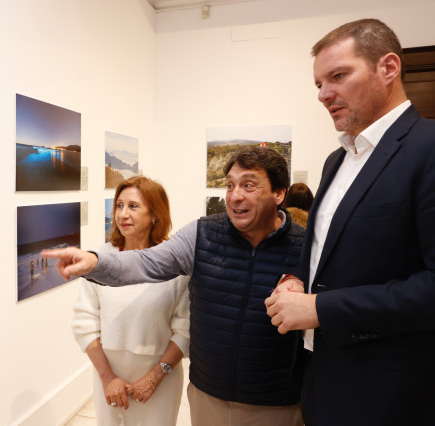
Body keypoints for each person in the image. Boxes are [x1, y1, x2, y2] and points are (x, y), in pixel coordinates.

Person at [44, 147, 306, 426]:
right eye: (230, 185)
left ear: (279, 193)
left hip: (276, 401)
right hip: (210, 396)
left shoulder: (307, 245)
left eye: (249, 185)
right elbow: (145, 263)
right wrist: (95, 262)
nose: (235, 195)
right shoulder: (202, 235)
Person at [264, 19, 435, 426]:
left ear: (388, 68)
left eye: (338, 76)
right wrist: (297, 280)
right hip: (323, 381)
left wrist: (322, 308)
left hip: (393, 394)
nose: (324, 95)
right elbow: (331, 254)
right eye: (319, 83)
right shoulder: (337, 160)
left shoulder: (428, 148)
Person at [72, 176, 190, 425]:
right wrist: (107, 377)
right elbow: (85, 323)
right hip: (109, 376)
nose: (123, 214)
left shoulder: (175, 264)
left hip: (161, 378)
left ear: (155, 215)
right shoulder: (100, 259)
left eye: (133, 206)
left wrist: (155, 378)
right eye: (119, 205)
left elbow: (185, 330)